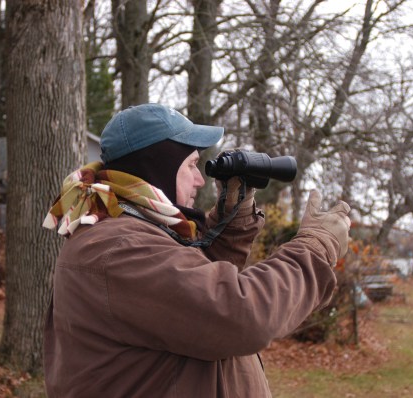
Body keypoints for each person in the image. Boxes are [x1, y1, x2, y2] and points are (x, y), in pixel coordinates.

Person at [42, 103, 351, 397]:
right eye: (191, 165)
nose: (200, 180)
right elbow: (239, 314)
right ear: (157, 168)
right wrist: (316, 246)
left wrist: (234, 219)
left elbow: (191, 295)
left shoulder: (127, 230)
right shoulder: (118, 248)